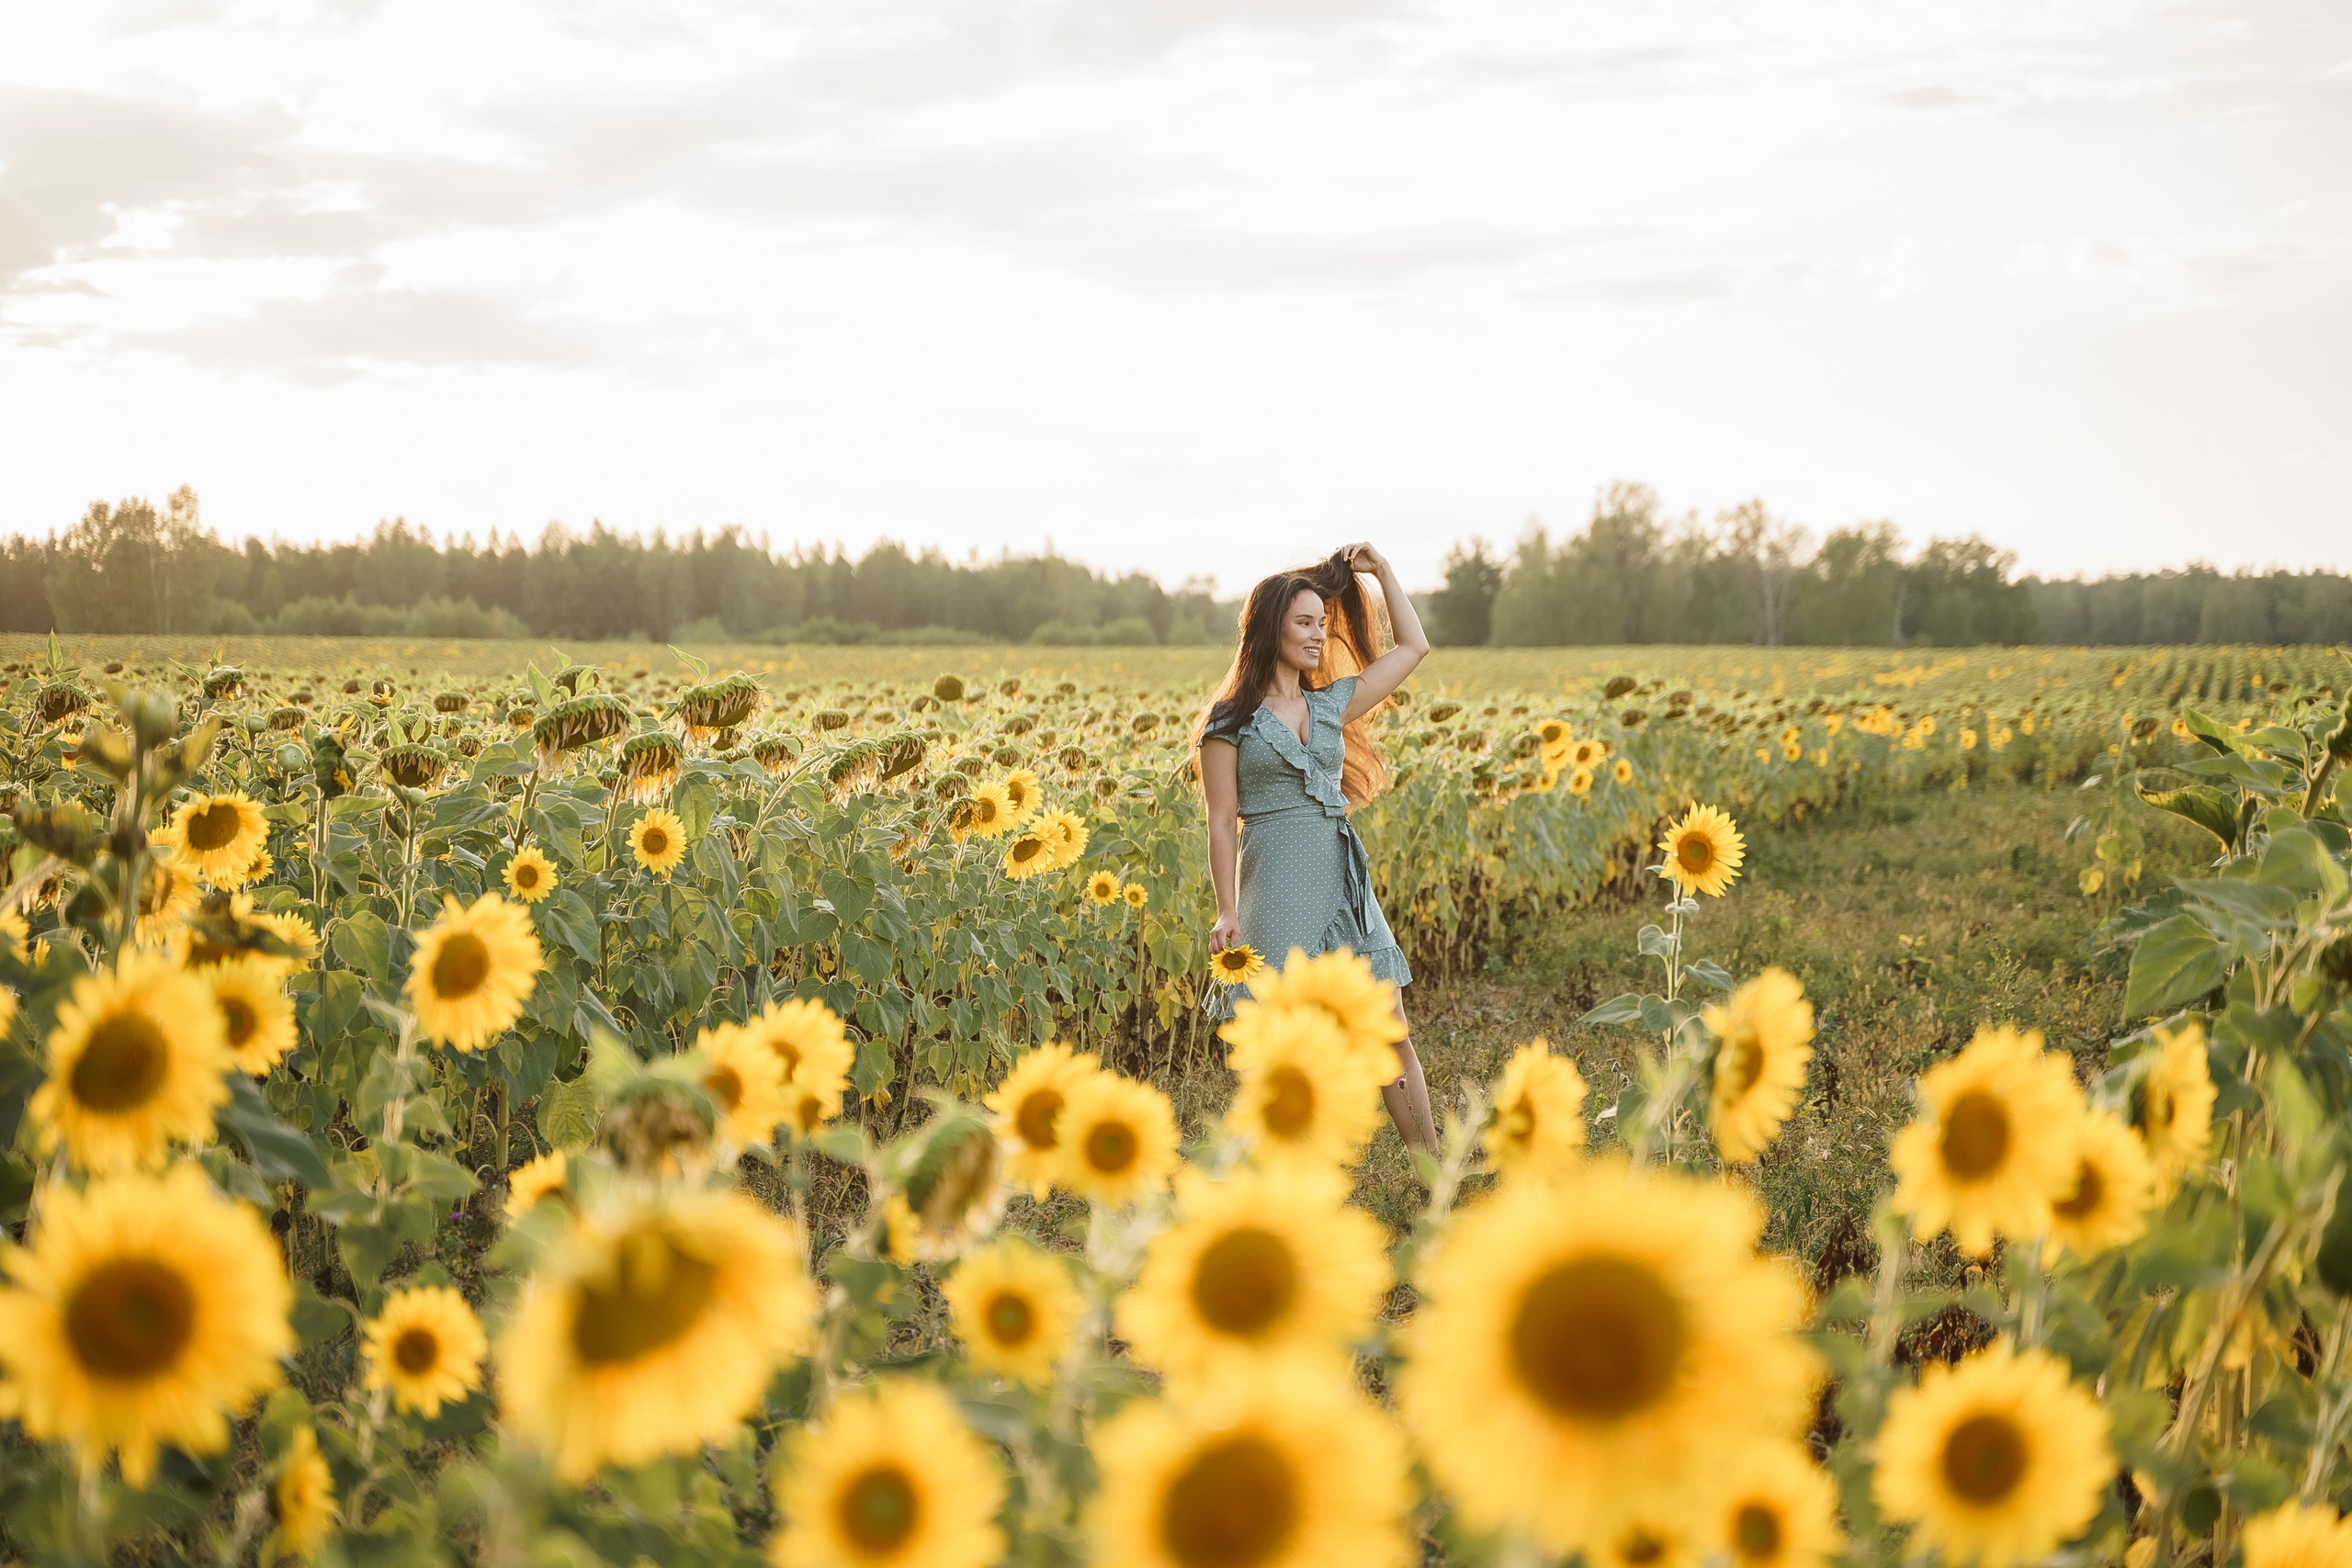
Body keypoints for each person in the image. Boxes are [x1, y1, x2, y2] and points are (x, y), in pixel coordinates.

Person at [1193, 542, 1437, 1153]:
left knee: (1390, 1030)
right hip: (1274, 883)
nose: (1317, 636)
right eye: (1304, 622)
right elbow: (1221, 822)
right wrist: (1227, 909)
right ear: (1268, 627)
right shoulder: (1227, 723)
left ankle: (1431, 1170)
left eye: (1321, 625)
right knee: (1282, 1045)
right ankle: (1282, 1180)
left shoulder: (1330, 703)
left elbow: (1414, 648)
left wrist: (1382, 573)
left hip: (1342, 878)